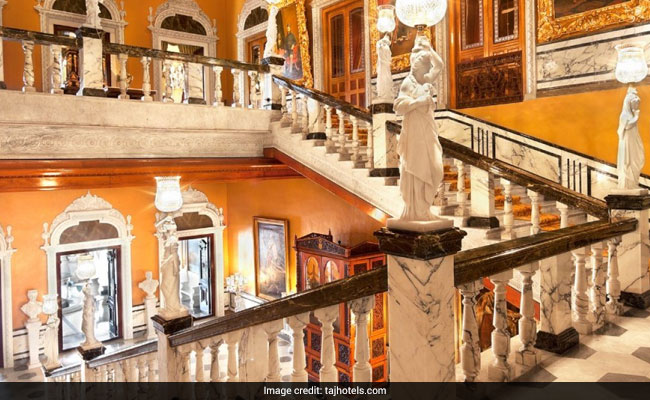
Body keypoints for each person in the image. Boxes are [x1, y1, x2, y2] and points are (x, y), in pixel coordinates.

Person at [393, 36, 444, 221]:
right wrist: (418, 102)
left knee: (436, 168)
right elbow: (398, 107)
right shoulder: (408, 83)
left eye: (425, 66)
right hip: (413, 131)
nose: (428, 70)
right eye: (423, 66)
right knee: (416, 167)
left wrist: (429, 48)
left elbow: (440, 66)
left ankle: (425, 208)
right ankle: (417, 211)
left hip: (428, 128)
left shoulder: (425, 79)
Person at [617, 87, 645, 190]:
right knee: (628, 160)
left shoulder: (631, 115)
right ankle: (628, 184)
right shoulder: (624, 115)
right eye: (635, 104)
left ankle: (633, 183)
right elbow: (627, 126)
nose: (637, 106)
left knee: (635, 158)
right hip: (627, 141)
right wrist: (636, 116)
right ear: (629, 103)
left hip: (633, 140)